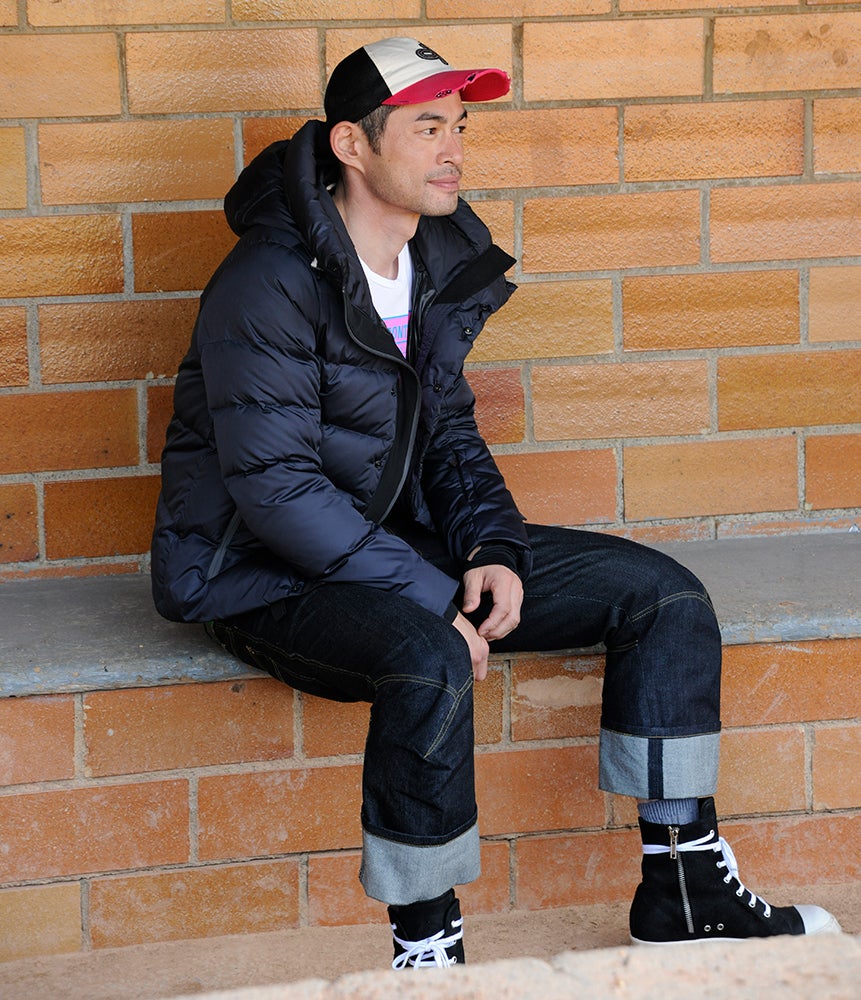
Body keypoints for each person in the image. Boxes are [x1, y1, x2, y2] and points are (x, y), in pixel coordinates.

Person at [151, 36, 841, 968]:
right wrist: (431, 593)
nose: (453, 150)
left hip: (392, 545)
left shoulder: (432, 263)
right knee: (430, 654)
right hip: (255, 573)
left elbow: (448, 434)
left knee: (663, 596)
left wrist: (489, 551)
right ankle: (427, 953)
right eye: (427, 126)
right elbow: (276, 491)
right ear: (352, 146)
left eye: (460, 126)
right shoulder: (265, 283)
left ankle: (682, 883)